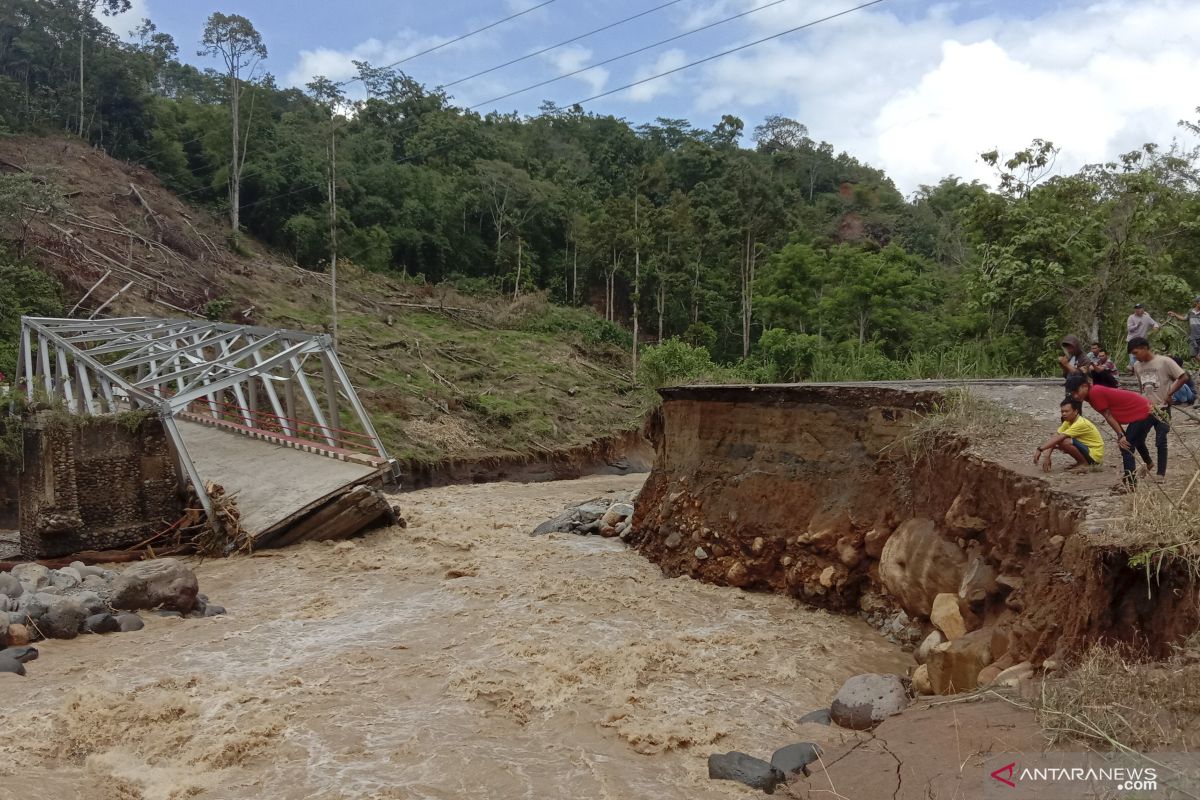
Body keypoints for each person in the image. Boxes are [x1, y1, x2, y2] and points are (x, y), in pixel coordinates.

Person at [1065, 374, 1157, 488]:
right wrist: (1121, 434)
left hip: (1143, 411)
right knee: (1134, 440)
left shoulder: (1095, 394)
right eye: (1072, 393)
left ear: (1084, 386)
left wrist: (1120, 435)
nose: (1074, 396)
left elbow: (1108, 415)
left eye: (1076, 391)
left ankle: (1130, 484)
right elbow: (1111, 415)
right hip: (1144, 408)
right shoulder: (1091, 395)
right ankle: (1148, 463)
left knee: (1126, 446)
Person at [1034, 398, 1105, 473]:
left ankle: (1084, 464)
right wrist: (1047, 455)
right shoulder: (1068, 421)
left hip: (1095, 455)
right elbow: (1056, 436)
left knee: (1064, 441)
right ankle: (1081, 462)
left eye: (1067, 411)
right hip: (1087, 450)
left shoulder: (1080, 423)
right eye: (1062, 411)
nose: (1064, 414)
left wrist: (1040, 449)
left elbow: (1059, 438)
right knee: (1060, 441)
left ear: (1075, 411)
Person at [1166, 296, 1200, 363]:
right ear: (1197, 303)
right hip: (1193, 337)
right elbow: (1184, 318)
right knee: (1193, 355)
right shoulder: (1190, 311)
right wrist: (1175, 314)